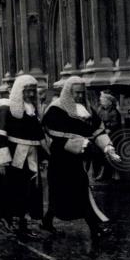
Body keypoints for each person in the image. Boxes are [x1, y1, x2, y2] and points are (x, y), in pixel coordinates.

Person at [41, 77, 122, 241]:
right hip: (61, 159)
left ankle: (49, 221)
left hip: (78, 160)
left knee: (77, 191)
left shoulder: (87, 110)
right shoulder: (56, 109)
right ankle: (94, 228)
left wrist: (108, 148)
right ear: (68, 92)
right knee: (69, 192)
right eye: (76, 93)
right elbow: (53, 133)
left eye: (81, 93)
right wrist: (80, 143)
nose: (79, 96)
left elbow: (97, 131)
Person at [0, 75, 46, 238]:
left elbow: (38, 136)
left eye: (32, 91)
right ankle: (6, 217)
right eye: (26, 91)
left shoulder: (32, 111)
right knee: (10, 190)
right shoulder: (6, 110)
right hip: (12, 158)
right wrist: (1, 161)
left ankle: (23, 224)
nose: (30, 95)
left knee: (28, 191)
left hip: (30, 158)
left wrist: (43, 156)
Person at [95, 91, 123, 182]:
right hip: (103, 134)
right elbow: (97, 120)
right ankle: (103, 173)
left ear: (109, 102)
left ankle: (115, 173)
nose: (101, 101)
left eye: (103, 99)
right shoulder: (100, 109)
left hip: (113, 136)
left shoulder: (114, 111)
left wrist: (109, 127)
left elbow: (116, 123)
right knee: (102, 155)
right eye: (101, 99)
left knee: (112, 153)